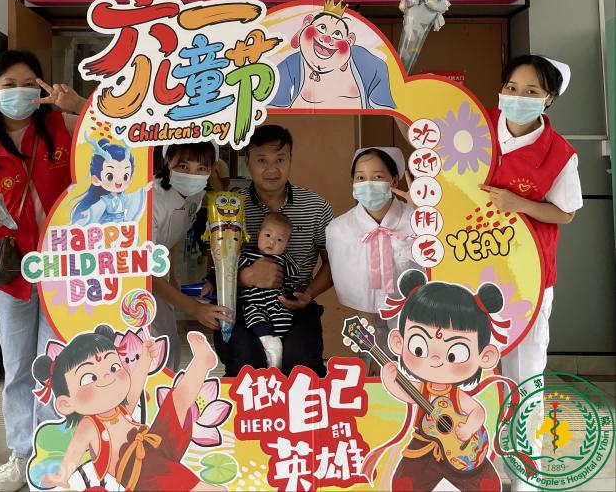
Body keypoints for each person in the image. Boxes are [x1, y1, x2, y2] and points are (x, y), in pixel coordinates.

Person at [0, 50, 86, 492]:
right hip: (10, 269)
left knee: (57, 363)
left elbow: (116, 137)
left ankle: (53, 455)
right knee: (18, 365)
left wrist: (79, 105)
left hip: (64, 267)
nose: (19, 92)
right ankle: (21, 453)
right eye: (8, 85)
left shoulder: (64, 127)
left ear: (43, 88)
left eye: (29, 83)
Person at [480, 54, 582, 492]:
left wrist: (519, 204)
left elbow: (566, 213)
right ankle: (471, 467)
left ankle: (526, 475)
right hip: (469, 270)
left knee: (525, 377)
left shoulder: (559, 154)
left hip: (528, 279)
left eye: (531, 92)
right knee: (469, 371)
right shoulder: (478, 127)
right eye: (512, 88)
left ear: (549, 100)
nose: (517, 97)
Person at [33, 328, 226, 491]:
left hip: (155, 441)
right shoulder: (89, 425)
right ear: (66, 403)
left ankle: (202, 363)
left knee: (176, 400)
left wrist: (145, 359)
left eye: (113, 367)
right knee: (170, 475)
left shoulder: (121, 409)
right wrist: (62, 475)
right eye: (90, 377)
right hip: (139, 472)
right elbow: (74, 452)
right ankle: (205, 488)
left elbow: (135, 387)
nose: (108, 376)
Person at [213, 124, 334, 377]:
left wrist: (309, 294)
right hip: (243, 306)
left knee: (302, 368)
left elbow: (332, 263)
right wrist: (246, 277)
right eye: (262, 160)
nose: (272, 169)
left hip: (295, 305)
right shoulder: (230, 208)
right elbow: (214, 268)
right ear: (248, 161)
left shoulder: (316, 206)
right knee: (246, 367)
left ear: (290, 159)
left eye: (280, 159)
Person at [375, 269, 505, 491]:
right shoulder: (421, 389)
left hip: (463, 451)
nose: (436, 359)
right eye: (419, 347)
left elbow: (478, 411)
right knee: (404, 483)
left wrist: (469, 428)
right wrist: (389, 380)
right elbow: (403, 392)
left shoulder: (456, 395)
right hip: (423, 448)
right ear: (399, 342)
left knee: (487, 485)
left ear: (485, 356)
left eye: (455, 353)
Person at [325, 147, 421, 371]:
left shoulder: (418, 220)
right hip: (365, 324)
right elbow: (353, 292)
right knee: (370, 366)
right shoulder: (339, 230)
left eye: (377, 177)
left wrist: (423, 213)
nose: (368, 184)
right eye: (360, 178)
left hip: (416, 325)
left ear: (394, 181)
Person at [150, 142, 232, 372]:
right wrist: (194, 308)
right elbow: (143, 274)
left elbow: (175, 234)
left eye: (201, 168)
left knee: (169, 348)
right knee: (153, 353)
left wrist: (173, 275)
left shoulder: (196, 194)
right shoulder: (152, 200)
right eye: (183, 166)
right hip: (134, 280)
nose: (192, 175)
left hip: (159, 273)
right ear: (168, 162)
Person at [203, 213, 299, 369]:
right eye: (267, 235)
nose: (272, 242)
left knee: (283, 321)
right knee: (254, 317)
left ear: (287, 243)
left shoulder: (286, 261)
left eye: (279, 240)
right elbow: (224, 269)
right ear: (258, 233)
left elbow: (293, 281)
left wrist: (294, 293)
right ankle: (270, 345)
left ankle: (274, 350)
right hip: (253, 303)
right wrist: (210, 282)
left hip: (277, 303)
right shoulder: (245, 255)